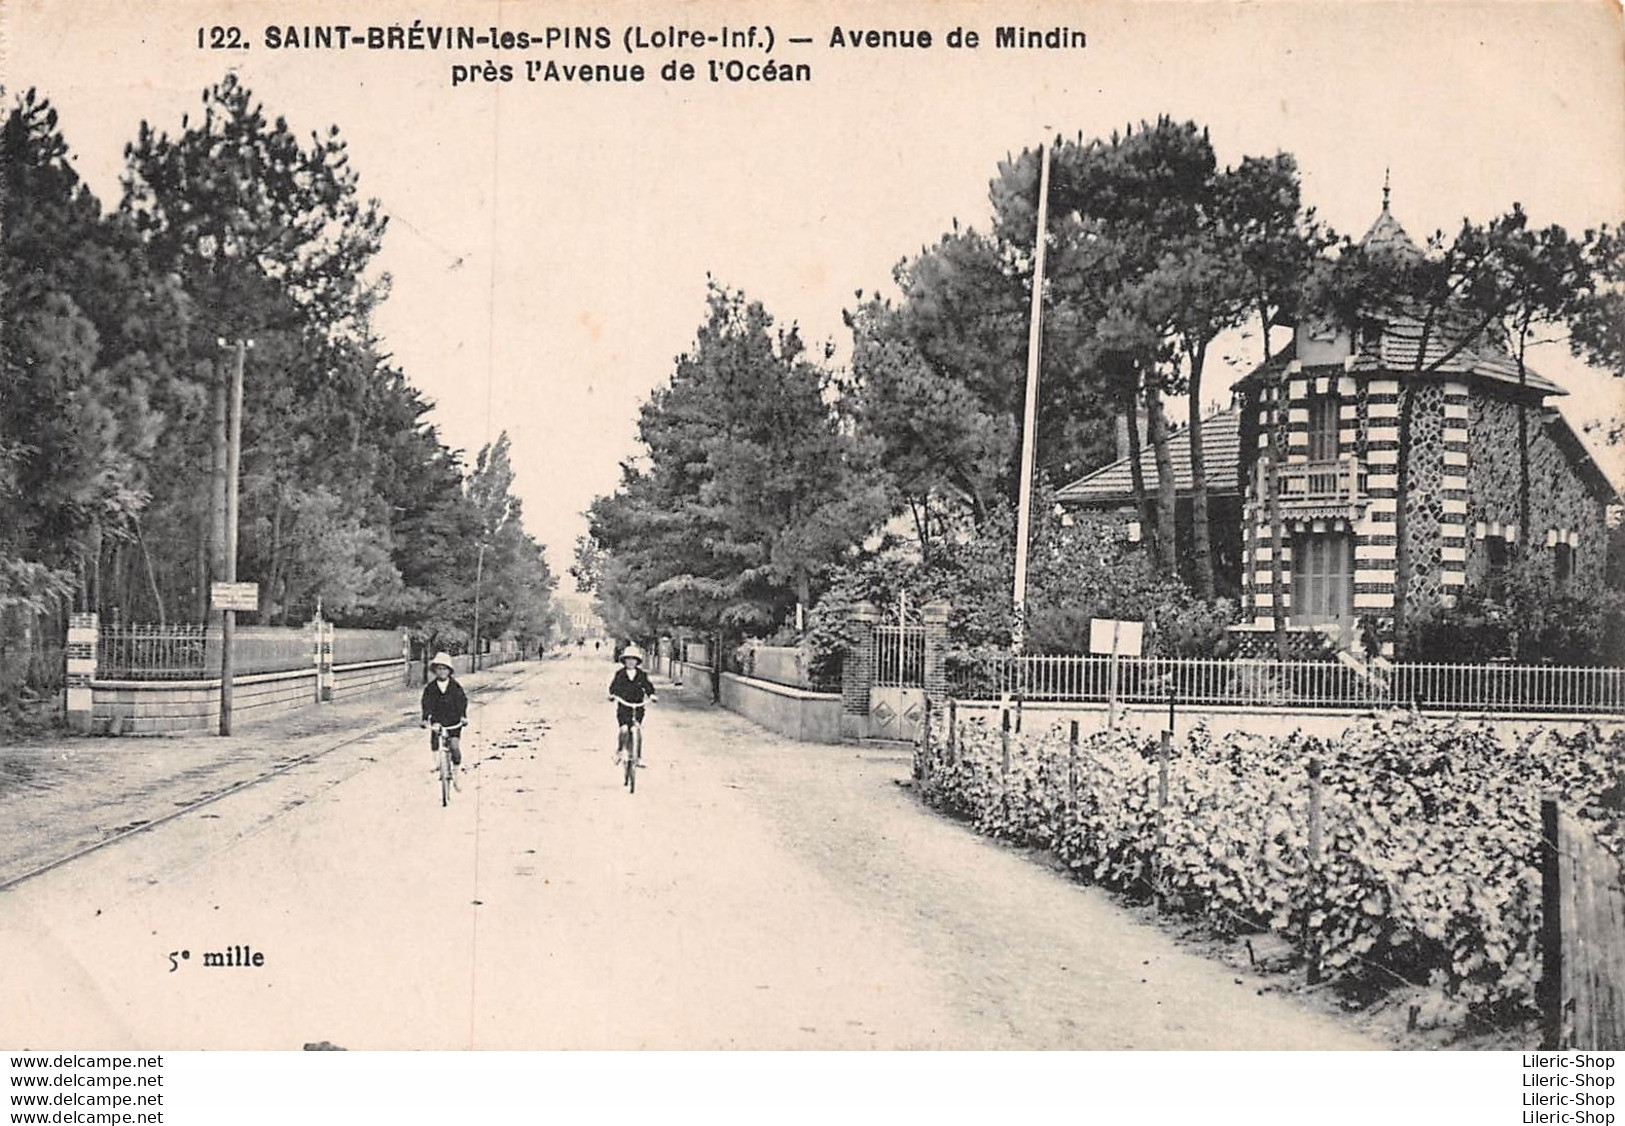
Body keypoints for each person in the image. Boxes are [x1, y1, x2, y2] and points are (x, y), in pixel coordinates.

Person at [607, 643, 656, 766]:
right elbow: (613, 687)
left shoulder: (641, 675)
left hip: (638, 707)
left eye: (633, 659)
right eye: (628, 659)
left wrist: (651, 695)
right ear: (624, 661)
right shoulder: (620, 674)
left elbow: (648, 687)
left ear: (637, 661)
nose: (631, 662)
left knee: (637, 729)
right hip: (624, 707)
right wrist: (612, 695)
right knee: (624, 730)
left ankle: (638, 757)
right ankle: (619, 751)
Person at [420, 652, 469, 767]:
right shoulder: (430, 688)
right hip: (438, 719)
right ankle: (437, 764)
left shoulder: (455, 686)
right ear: (435, 671)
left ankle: (456, 774)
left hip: (454, 721)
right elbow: (426, 703)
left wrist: (463, 716)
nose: (442, 672)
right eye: (439, 669)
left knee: (454, 747)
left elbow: (462, 701)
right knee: (435, 740)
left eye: (445, 669)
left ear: (449, 671)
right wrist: (425, 718)